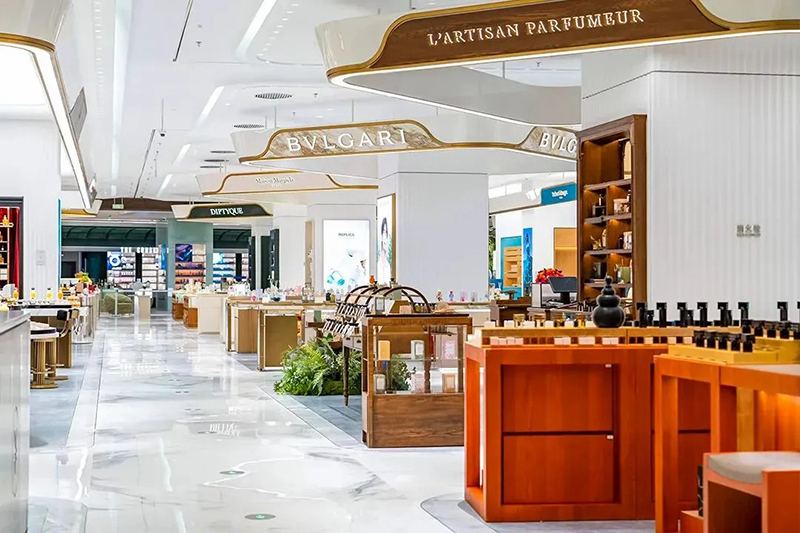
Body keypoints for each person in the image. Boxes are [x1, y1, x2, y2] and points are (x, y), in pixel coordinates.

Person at [378, 216, 391, 284]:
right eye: (383, 232)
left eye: (386, 232)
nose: (385, 235)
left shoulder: (389, 258)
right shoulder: (378, 256)